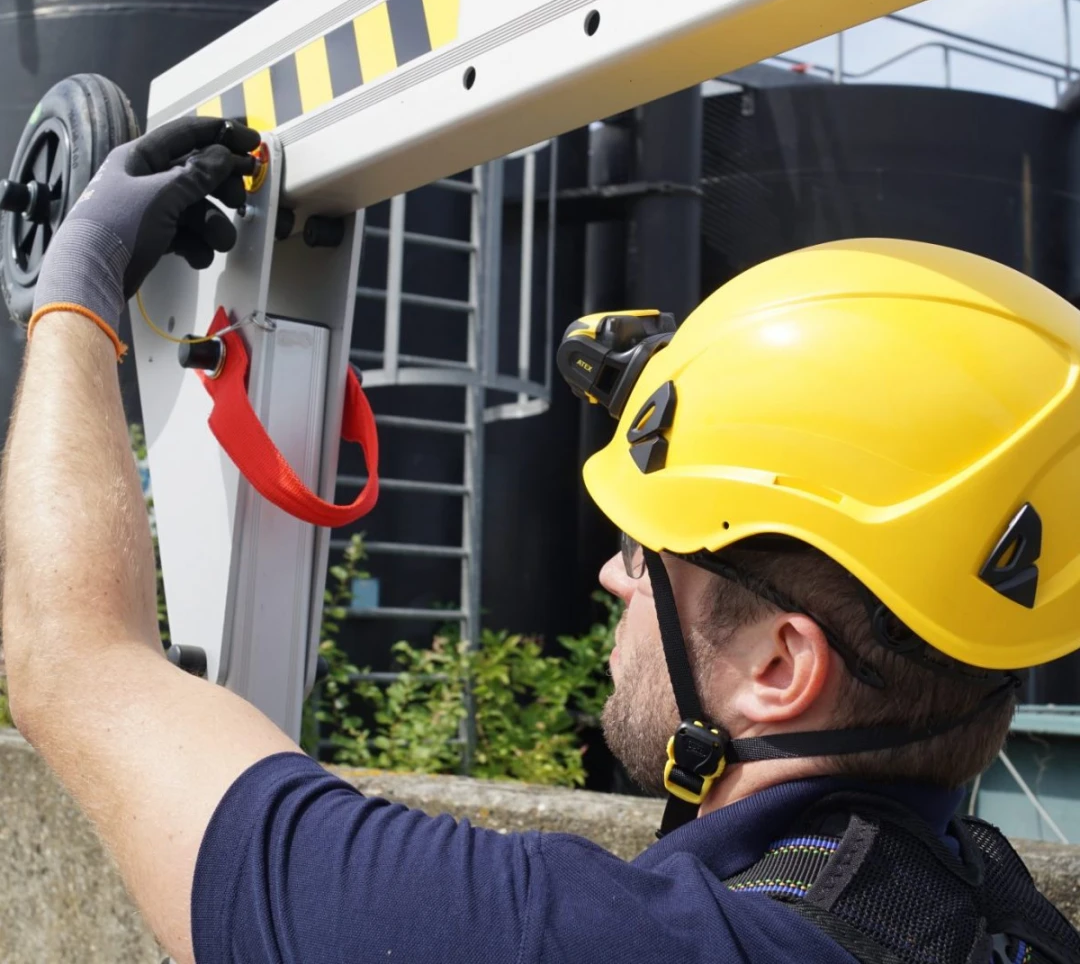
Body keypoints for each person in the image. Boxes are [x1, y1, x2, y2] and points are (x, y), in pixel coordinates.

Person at [2, 118, 1079, 964]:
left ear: (778, 666)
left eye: (649, 552)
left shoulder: (575, 942)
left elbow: (73, 663)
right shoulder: (1004, 922)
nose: (611, 574)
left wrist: (76, 289)